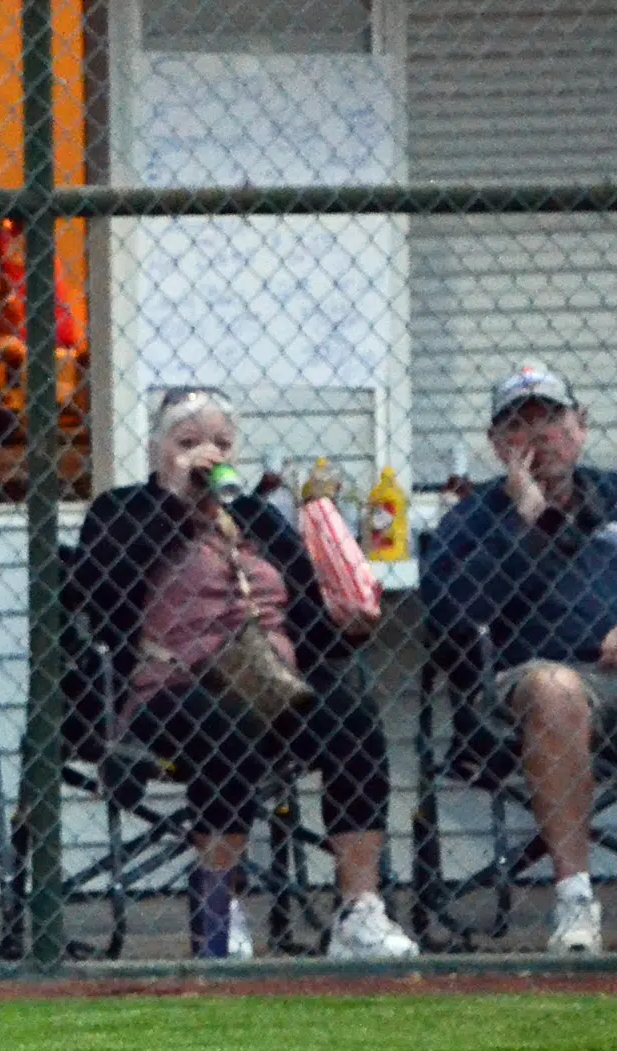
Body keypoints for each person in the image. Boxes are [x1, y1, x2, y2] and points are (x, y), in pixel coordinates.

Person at [77, 388, 415, 960]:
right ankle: (219, 909)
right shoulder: (123, 511)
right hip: (173, 694)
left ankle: (359, 909)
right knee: (224, 721)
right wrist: (177, 505)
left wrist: (347, 621)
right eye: (188, 443)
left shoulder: (257, 517)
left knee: (351, 707)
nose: (206, 454)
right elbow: (101, 601)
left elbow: (309, 624)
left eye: (220, 443)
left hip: (273, 687)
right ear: (158, 451)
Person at [424, 364, 615, 953]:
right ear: (496, 444)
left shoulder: (613, 495)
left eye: (551, 419)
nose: (537, 436)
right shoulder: (472, 518)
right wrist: (523, 519)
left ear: (580, 426)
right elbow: (452, 614)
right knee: (556, 688)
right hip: (524, 687)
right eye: (518, 425)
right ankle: (576, 900)